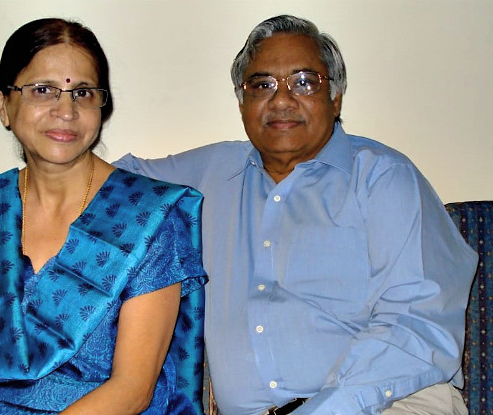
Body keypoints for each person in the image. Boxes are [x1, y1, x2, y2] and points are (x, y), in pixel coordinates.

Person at [114, 14, 478, 415]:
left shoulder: (383, 177)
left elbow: (418, 326)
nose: (282, 99)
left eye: (304, 82)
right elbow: (94, 182)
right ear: (241, 101)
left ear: (336, 96)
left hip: (393, 404)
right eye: (262, 84)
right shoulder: (211, 172)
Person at [0, 18, 207, 415]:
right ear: (4, 104)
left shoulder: (146, 217)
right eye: (43, 90)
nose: (65, 110)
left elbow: (133, 388)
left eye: (82, 93)